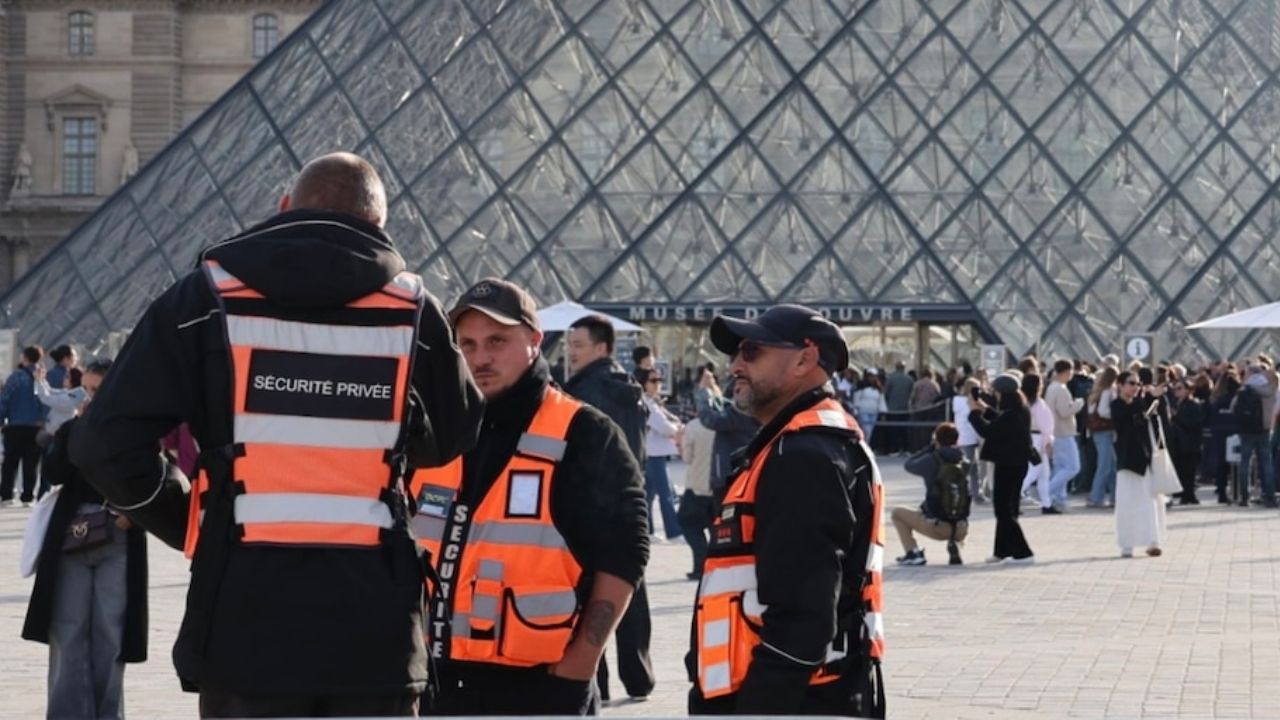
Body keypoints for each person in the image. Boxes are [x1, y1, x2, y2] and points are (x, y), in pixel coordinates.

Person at [68, 152, 484, 718]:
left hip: (244, 612)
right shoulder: (412, 310)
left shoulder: (205, 297)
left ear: (284, 207)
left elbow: (102, 442)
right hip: (375, 623)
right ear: (378, 225)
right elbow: (456, 433)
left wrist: (190, 522)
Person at [409, 279, 648, 715]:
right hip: (436, 685)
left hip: (540, 687)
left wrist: (582, 662)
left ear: (535, 341)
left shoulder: (584, 432)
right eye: (468, 343)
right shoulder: (436, 433)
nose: (480, 357)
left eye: (497, 340)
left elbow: (625, 552)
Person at [687, 304, 885, 718]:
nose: (736, 363)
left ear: (804, 359)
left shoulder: (802, 456)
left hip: (790, 701)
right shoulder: (801, 444)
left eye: (752, 351)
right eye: (737, 352)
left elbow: (803, 620)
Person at [24, 359, 148, 720]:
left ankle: (108, 714)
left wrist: (132, 516)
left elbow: (155, 477)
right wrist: (79, 428)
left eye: (100, 389)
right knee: (68, 630)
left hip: (118, 536)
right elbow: (54, 472)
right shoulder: (74, 429)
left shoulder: (136, 431)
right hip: (71, 535)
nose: (93, 396)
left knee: (111, 634)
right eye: (89, 389)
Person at [563, 314, 655, 700]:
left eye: (577, 346)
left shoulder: (584, 391)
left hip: (592, 503)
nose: (570, 354)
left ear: (601, 348)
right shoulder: (630, 389)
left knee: (590, 598)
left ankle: (594, 682)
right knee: (630, 591)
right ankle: (640, 676)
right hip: (629, 500)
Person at [968, 373, 1036, 564]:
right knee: (1008, 508)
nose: (995, 396)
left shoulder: (1011, 414)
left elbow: (989, 431)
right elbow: (1000, 421)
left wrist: (974, 413)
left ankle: (1023, 552)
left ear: (1002, 394)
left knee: (1004, 510)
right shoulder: (1019, 409)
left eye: (996, 393)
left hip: (1009, 465)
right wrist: (984, 408)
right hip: (1016, 464)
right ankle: (1002, 551)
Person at [892, 422, 970, 566]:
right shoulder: (964, 461)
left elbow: (909, 464)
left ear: (937, 440)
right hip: (961, 528)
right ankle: (956, 544)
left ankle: (913, 553)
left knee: (897, 513)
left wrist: (930, 448)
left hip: (937, 527)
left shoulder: (932, 460)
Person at [1111, 371, 1167, 557]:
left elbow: (1158, 423)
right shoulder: (1117, 405)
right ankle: (1127, 544)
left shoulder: (1141, 404)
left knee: (1150, 503)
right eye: (1131, 383)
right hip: (1128, 461)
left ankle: (1153, 541)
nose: (1135, 387)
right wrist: (1149, 397)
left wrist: (1153, 400)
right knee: (1128, 503)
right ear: (1119, 385)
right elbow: (1127, 415)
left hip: (1146, 460)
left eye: (1137, 383)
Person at [638, 367, 683, 540]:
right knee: (666, 495)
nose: (657, 385)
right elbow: (663, 426)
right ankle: (674, 532)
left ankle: (647, 531)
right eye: (653, 381)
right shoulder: (646, 403)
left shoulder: (653, 401)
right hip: (653, 453)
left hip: (655, 452)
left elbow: (670, 421)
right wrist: (677, 430)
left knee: (648, 495)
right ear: (644, 383)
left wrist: (676, 427)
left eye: (659, 381)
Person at [0, 345, 47, 507]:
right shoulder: (41, 376)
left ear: (25, 358)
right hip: (35, 426)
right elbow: (46, 399)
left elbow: (5, 399)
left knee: (10, 462)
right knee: (31, 463)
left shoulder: (17, 376)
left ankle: (6, 495)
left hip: (15, 425)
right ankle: (27, 496)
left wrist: (1, 419)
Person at [678, 416, 716, 580]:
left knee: (689, 524)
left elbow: (687, 458)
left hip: (697, 484)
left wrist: (680, 443)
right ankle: (714, 564)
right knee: (716, 526)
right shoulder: (729, 424)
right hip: (720, 486)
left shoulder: (694, 426)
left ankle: (701, 564)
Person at [1234, 363, 1276, 507]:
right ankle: (1269, 496)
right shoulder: (1271, 388)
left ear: (1251, 373)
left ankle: (1244, 497)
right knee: (1266, 463)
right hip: (1265, 429)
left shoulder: (1245, 388)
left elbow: (1234, 407)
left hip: (1246, 430)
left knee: (1245, 463)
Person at [1045, 360, 1084, 511]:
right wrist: (1078, 404)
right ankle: (1048, 491)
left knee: (1060, 467)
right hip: (1064, 432)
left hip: (1055, 431)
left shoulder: (1051, 387)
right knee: (1073, 467)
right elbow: (1064, 412)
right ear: (1067, 371)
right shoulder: (1061, 389)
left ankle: (1059, 498)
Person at [1020, 373, 1055, 513]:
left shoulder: (1024, 403)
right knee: (1034, 472)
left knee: (1043, 474)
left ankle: (1047, 504)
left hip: (1029, 437)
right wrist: (1048, 443)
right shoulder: (1039, 404)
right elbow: (1046, 426)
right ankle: (1013, 497)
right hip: (1039, 439)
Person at [1167, 380, 1204, 505]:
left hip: (1189, 442)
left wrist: (1176, 416)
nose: (1176, 391)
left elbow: (1194, 424)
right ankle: (1184, 493)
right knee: (1181, 469)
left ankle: (1189, 494)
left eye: (1180, 388)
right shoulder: (1176, 403)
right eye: (1175, 388)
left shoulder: (1193, 405)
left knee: (1189, 470)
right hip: (1178, 441)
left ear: (1188, 390)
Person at [1086, 367, 1119, 508]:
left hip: (1097, 431)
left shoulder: (1097, 392)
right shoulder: (1108, 392)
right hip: (1106, 430)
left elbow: (1092, 411)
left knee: (1110, 467)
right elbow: (1103, 411)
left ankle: (1114, 497)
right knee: (1106, 466)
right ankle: (1096, 497)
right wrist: (1115, 417)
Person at [953, 377, 986, 503]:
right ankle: (973, 494)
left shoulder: (957, 401)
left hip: (962, 438)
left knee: (969, 468)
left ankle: (970, 493)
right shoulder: (968, 403)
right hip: (969, 438)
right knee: (971, 469)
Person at [883, 361, 913, 455]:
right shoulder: (909, 379)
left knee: (893, 430)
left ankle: (894, 449)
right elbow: (911, 394)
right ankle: (905, 449)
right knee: (904, 430)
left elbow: (886, 393)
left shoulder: (890, 378)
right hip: (905, 408)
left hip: (892, 409)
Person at [852, 374, 888, 446]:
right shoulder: (862, 388)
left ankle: (866, 445)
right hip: (863, 412)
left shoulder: (878, 390)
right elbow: (856, 399)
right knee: (866, 430)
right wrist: (855, 410)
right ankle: (864, 445)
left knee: (870, 431)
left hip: (874, 413)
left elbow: (881, 400)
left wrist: (883, 412)